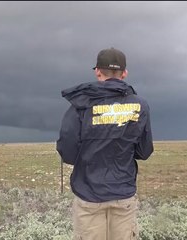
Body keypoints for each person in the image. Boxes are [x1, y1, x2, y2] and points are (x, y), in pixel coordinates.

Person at [56, 47, 154, 240]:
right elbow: (144, 150)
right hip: (123, 193)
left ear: (98, 71)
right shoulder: (140, 105)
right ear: (124, 73)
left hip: (88, 193)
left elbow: (67, 151)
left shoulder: (80, 105)